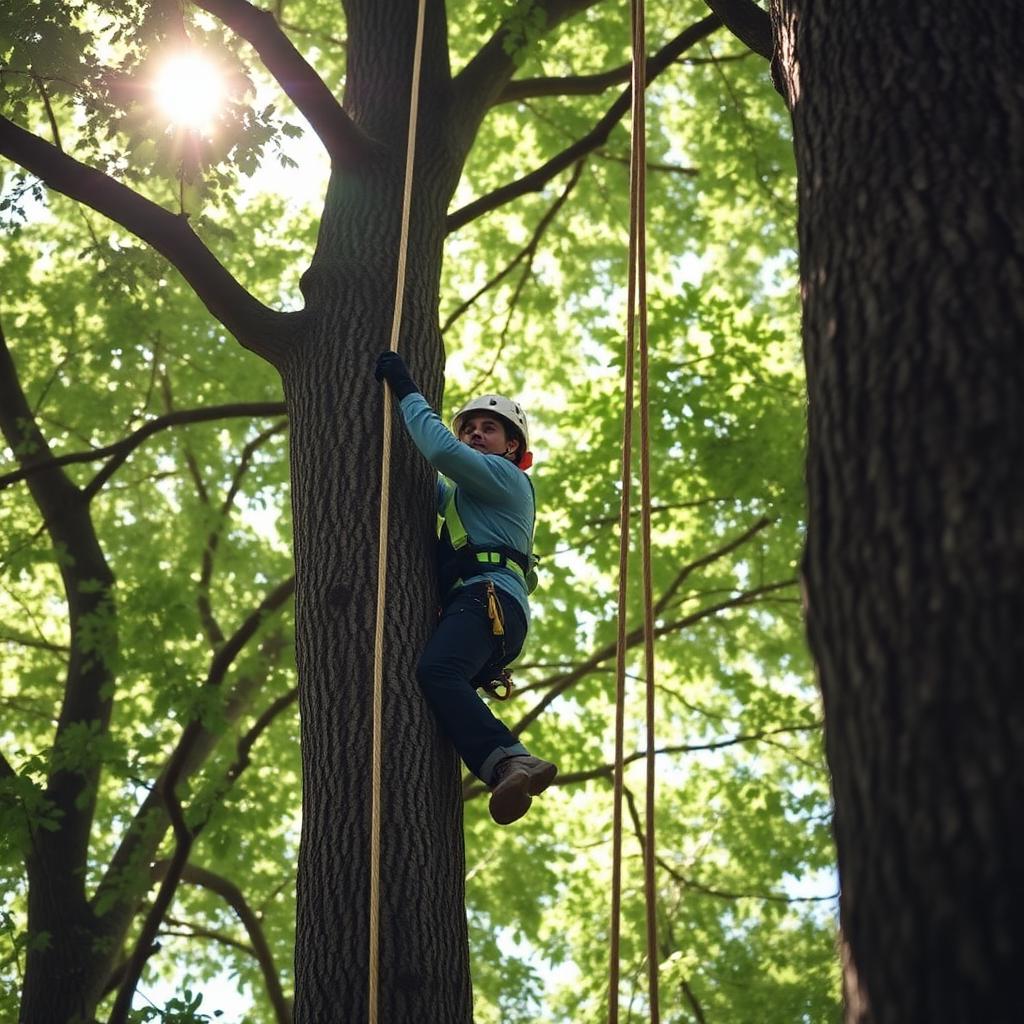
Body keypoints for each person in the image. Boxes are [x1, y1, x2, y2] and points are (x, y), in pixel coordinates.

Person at [375, 351, 557, 825]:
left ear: (512, 448)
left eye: (488, 428)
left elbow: (438, 453)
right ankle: (504, 764)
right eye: (468, 428)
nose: (475, 433)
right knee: (444, 694)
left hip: (488, 599)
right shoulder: (466, 496)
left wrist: (406, 390)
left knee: (437, 672)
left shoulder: (506, 479)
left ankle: (511, 760)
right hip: (489, 607)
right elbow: (424, 485)